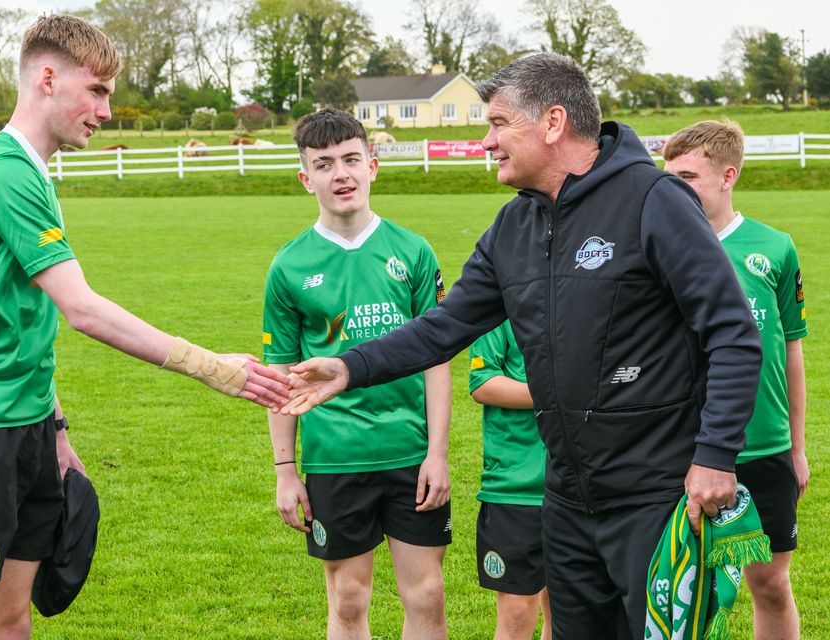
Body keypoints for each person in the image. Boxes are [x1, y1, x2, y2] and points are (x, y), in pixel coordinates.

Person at [281, 53, 762, 640]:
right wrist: (348, 367)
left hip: (657, 497)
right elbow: (442, 327)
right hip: (563, 499)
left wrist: (715, 455)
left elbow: (732, 332)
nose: (487, 141)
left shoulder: (653, 200)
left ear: (553, 122)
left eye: (499, 124)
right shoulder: (513, 228)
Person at [0, 15, 289, 640]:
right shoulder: (4, 172)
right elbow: (79, 309)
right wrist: (215, 368)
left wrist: (53, 426)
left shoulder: (31, 171)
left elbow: (21, 322)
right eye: (98, 91)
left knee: (11, 615)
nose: (107, 110)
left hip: (25, 422)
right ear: (49, 78)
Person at [263, 108, 452, 640]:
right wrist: (284, 469)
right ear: (306, 179)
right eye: (324, 164)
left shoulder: (413, 252)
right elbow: (281, 375)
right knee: (348, 600)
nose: (340, 174)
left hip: (411, 454)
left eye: (350, 160)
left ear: (372, 165)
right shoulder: (289, 266)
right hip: (335, 457)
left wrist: (437, 453)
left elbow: (437, 357)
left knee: (427, 594)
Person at [663, 120, 807, 640]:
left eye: (687, 177)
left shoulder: (774, 248)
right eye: (668, 178)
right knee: (680, 588)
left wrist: (796, 447)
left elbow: (790, 351)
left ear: (728, 176)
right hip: (681, 448)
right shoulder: (658, 249)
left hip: (764, 449)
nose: (673, 190)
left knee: (769, 584)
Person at [468, 322, 551, 640]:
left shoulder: (581, 291)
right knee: (517, 615)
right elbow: (482, 382)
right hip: (514, 485)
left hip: (575, 484)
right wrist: (554, 393)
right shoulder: (499, 301)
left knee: (567, 608)